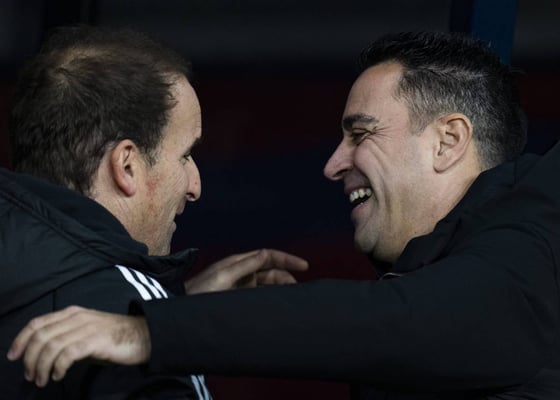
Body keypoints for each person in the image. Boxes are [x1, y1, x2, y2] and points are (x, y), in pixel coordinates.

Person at [9, 31, 560, 400]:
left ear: (448, 141)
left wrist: (151, 331)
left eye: (361, 133)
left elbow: (408, 321)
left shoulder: (540, 230)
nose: (333, 163)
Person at [0, 25, 308, 399]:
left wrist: (174, 312)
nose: (195, 186)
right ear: (127, 165)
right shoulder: (117, 338)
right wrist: (149, 318)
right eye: (185, 155)